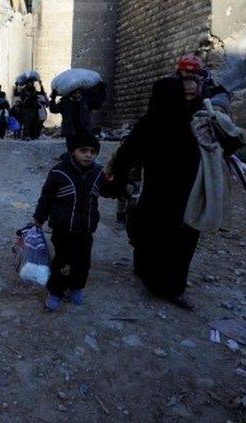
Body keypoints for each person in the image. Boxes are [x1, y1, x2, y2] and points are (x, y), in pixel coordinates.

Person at [106, 75, 203, 310]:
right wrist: (118, 181)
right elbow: (127, 155)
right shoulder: (174, 123)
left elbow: (126, 155)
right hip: (172, 192)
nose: (187, 100)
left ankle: (153, 275)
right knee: (174, 235)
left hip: (169, 192)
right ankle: (169, 287)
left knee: (159, 231)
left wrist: (117, 181)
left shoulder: (191, 122)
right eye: (183, 96)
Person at [32, 131, 112, 311]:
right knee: (64, 263)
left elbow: (108, 189)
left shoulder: (98, 173)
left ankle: (76, 287)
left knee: (83, 262)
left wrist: (124, 186)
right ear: (72, 151)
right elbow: (46, 198)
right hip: (63, 230)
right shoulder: (59, 172)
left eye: (93, 151)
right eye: (83, 150)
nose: (88, 155)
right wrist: (38, 219)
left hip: (86, 229)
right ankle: (56, 291)